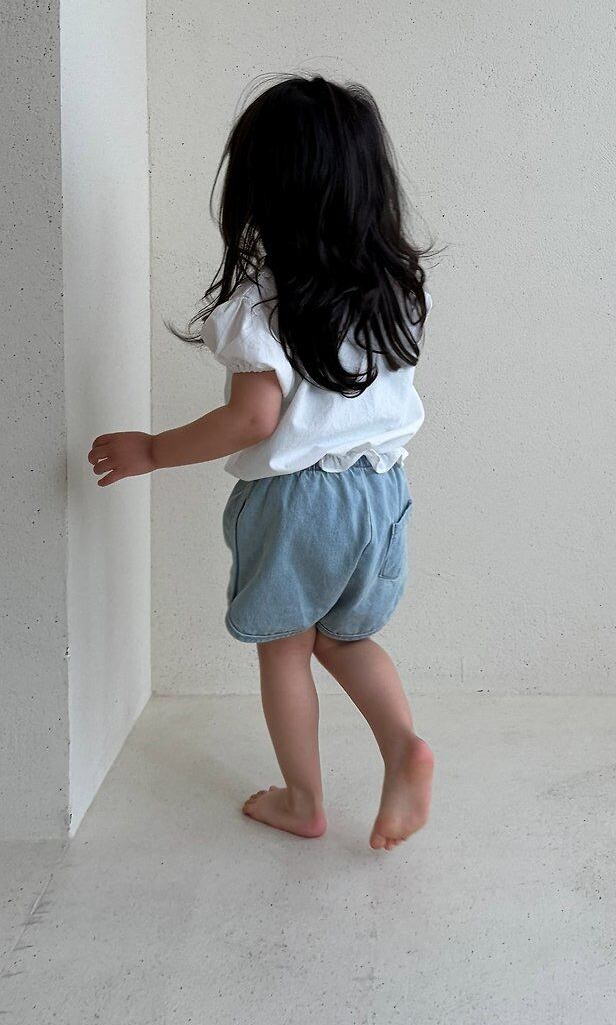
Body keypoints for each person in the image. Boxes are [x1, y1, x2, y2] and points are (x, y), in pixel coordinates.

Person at [87, 75, 434, 850]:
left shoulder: (263, 304)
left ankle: (303, 802)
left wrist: (152, 451)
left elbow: (254, 419)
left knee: (287, 646)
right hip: (384, 494)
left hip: (299, 502)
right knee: (345, 640)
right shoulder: (396, 291)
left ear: (264, 191)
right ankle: (403, 746)